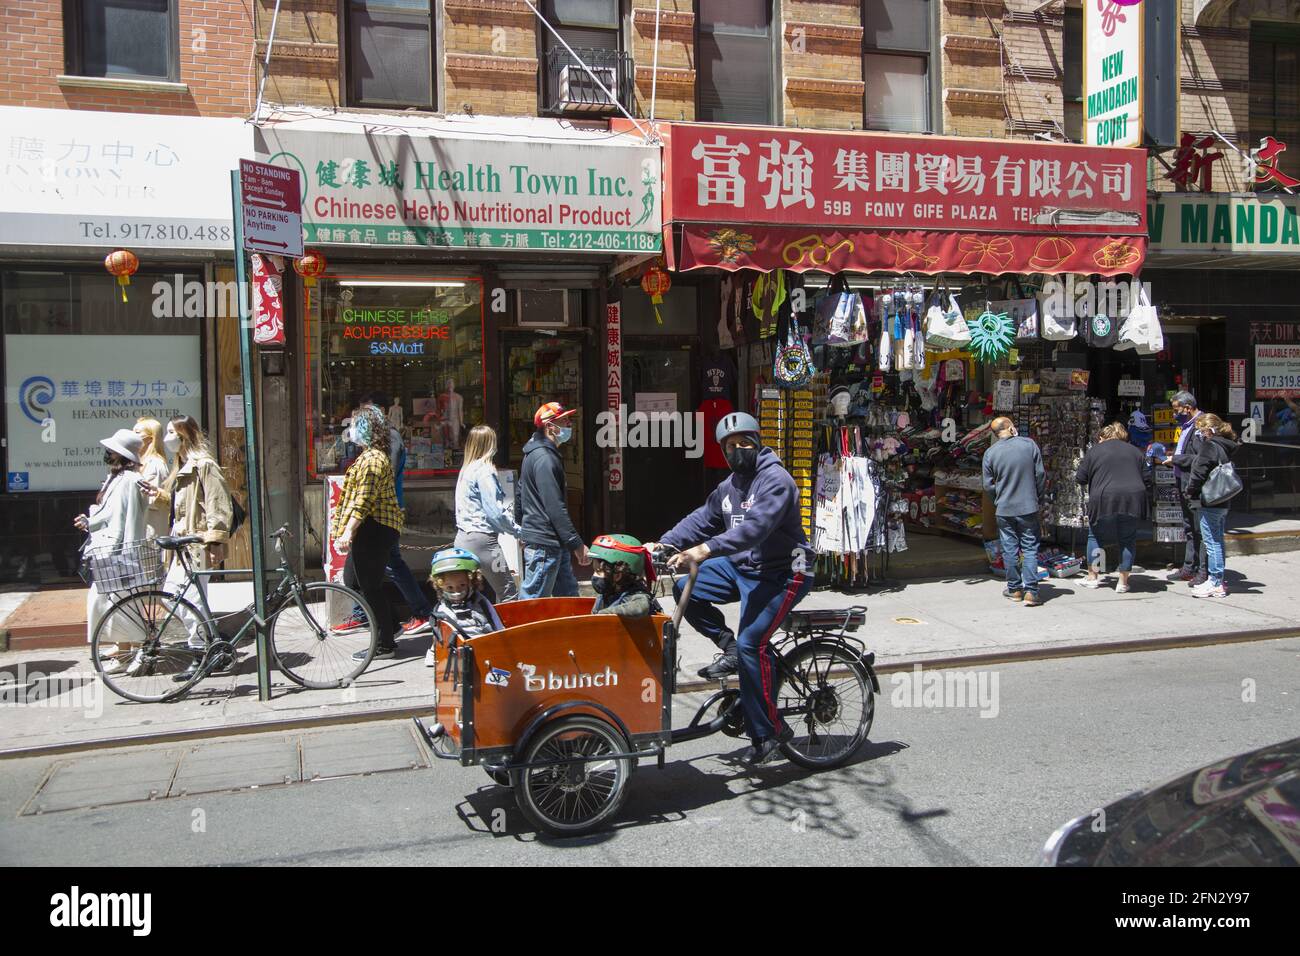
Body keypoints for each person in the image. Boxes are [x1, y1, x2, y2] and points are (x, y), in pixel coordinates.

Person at [647, 412, 813, 768]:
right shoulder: (729, 487)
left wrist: (704, 550)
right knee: (686, 589)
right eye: (729, 446)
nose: (737, 450)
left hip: (786, 571)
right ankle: (729, 647)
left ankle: (769, 732)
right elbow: (701, 519)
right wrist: (665, 543)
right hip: (743, 567)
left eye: (744, 443)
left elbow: (755, 529)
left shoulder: (776, 480)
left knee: (755, 643)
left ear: (757, 441)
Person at [332, 394, 436, 638]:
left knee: (384, 568)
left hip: (381, 516)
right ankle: (374, 617)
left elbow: (372, 489)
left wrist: (349, 528)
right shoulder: (374, 451)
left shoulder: (382, 450)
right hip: (375, 517)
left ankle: (414, 614)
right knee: (362, 575)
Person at [147, 417, 235, 682]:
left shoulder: (204, 465)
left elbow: (218, 504)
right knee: (175, 595)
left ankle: (202, 654)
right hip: (181, 544)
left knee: (190, 599)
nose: (168, 437)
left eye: (172, 432)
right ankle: (213, 640)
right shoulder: (182, 465)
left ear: (185, 436)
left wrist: (215, 542)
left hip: (196, 544)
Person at [331, 406, 404, 663]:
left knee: (369, 586)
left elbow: (363, 502)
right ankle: (391, 624)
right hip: (370, 529)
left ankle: (385, 643)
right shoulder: (368, 456)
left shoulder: (373, 459)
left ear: (364, 428)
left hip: (374, 528)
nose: (349, 430)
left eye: (354, 425)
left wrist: (347, 533)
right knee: (355, 582)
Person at [76, 429, 149, 672]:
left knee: (122, 602)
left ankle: (137, 651)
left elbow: (120, 519)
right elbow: (109, 513)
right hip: (116, 548)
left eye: (111, 451)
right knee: (112, 601)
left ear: (120, 455)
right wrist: (89, 521)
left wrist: (111, 550)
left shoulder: (127, 481)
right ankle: (127, 651)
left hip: (120, 550)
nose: (107, 453)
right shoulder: (118, 478)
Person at [518, 401, 588, 598]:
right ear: (550, 426)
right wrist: (576, 543)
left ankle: (569, 629)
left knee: (568, 597)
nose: (569, 425)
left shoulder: (535, 454)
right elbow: (555, 507)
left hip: (551, 541)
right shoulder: (545, 459)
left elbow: (519, 493)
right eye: (564, 421)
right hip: (545, 542)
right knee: (533, 602)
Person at [1075, 422, 1150, 594]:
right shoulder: (1135, 451)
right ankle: (1123, 582)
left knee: (1096, 536)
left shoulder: (1095, 451)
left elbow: (1081, 477)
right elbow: (1147, 478)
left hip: (1103, 498)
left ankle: (1094, 576)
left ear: (1102, 437)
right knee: (1128, 538)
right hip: (1132, 498)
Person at [982, 416, 1046, 607]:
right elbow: (1040, 475)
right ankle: (1031, 591)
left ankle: (1015, 588)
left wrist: (998, 500)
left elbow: (988, 485)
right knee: (1029, 547)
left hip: (1005, 508)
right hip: (1028, 505)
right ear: (1010, 428)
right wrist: (1038, 497)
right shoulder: (1029, 445)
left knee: (1010, 548)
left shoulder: (990, 453)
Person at [454, 424, 522, 603]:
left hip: (462, 539)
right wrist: (518, 531)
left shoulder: (466, 469)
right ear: (490, 444)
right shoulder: (484, 470)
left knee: (469, 596)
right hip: (484, 542)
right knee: (509, 593)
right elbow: (496, 512)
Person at [1179, 413, 1240, 599]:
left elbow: (1199, 471)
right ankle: (1217, 580)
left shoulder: (1209, 445)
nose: (1199, 433)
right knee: (1217, 541)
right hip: (1222, 500)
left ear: (1208, 430)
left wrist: (1190, 490)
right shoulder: (1224, 445)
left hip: (1210, 500)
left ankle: (1215, 582)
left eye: (1201, 429)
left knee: (1211, 542)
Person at [425, 546, 503, 665]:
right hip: (460, 659)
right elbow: (439, 637)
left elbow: (497, 625)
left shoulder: (481, 602)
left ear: (472, 582)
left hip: (487, 651)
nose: (456, 591)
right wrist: (435, 654)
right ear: (440, 585)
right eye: (449, 587)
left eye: (462, 585)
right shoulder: (441, 610)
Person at [1165, 390, 1206, 585]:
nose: (1174, 414)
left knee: (1200, 529)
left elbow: (1201, 458)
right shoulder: (1188, 425)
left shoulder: (1201, 426)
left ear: (1187, 408)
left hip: (1194, 485)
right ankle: (1189, 567)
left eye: (1176, 410)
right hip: (1184, 482)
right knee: (1189, 527)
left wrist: (1176, 459)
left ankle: (1202, 570)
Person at [588, 534, 656, 618]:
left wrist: (604, 614)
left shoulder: (636, 595)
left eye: (598, 572)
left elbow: (641, 607)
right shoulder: (608, 592)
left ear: (618, 575)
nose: (594, 576)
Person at [132, 418, 170, 539]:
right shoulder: (142, 463)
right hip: (142, 528)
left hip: (150, 530)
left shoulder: (155, 464)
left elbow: (153, 500)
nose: (132, 436)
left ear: (150, 438)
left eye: (137, 433)